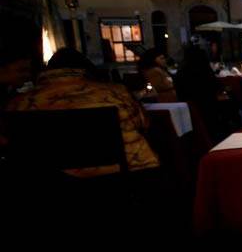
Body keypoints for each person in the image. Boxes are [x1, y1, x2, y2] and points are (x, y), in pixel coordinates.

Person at [7, 48, 160, 176]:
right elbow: (144, 123)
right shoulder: (115, 94)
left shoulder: (19, 104)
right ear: (87, 69)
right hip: (124, 177)